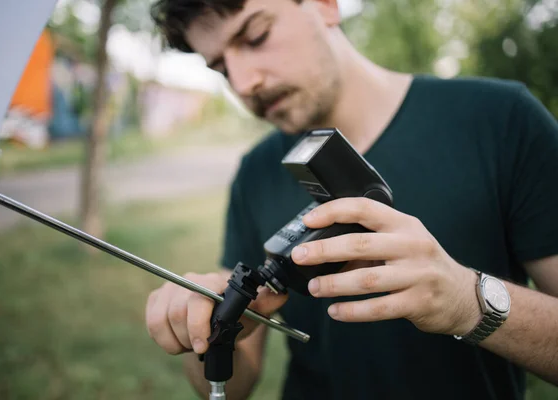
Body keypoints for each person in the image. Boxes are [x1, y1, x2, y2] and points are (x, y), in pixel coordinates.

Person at [144, 0, 558, 399]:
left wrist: (467, 302)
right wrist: (206, 329)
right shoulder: (255, 171)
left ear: (326, 3)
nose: (243, 82)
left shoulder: (501, 121)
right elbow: (233, 387)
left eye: (256, 36)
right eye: (220, 67)